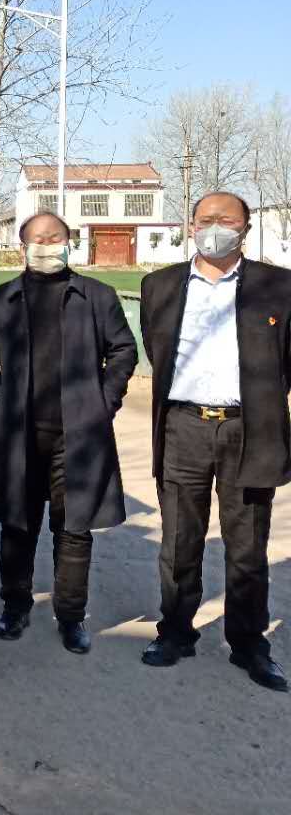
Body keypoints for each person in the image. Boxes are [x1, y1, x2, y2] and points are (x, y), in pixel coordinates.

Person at [139, 192, 290, 692]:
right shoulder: (161, 286)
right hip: (183, 426)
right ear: (190, 226)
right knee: (179, 539)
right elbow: (158, 351)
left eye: (227, 219)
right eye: (206, 219)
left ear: (246, 228)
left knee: (247, 544)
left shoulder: (277, 287)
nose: (215, 228)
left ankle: (248, 643)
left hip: (249, 430)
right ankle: (175, 632)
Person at [0, 212, 138, 654]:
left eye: (55, 238)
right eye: (38, 238)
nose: (47, 245)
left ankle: (71, 615)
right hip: (19, 433)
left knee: (73, 528)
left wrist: (103, 401)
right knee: (17, 525)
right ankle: (15, 605)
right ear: (22, 246)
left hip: (78, 435)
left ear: (70, 244)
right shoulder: (1, 300)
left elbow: (123, 349)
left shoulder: (96, 296)